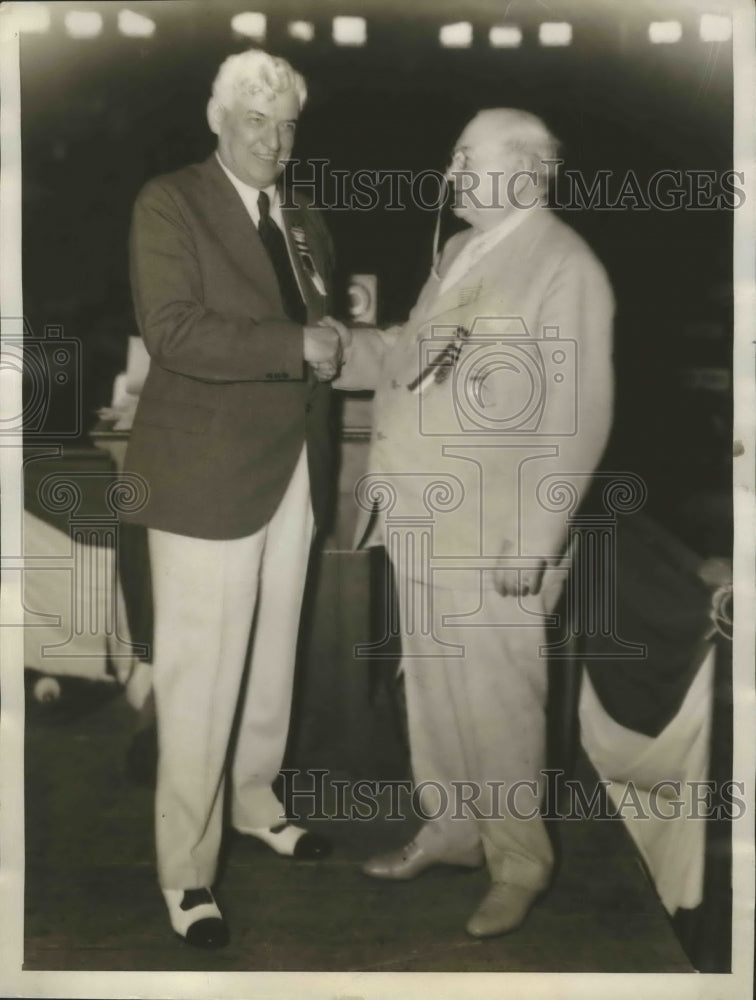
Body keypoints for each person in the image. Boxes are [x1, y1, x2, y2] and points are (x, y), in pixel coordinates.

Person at [328, 108, 614, 938]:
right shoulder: (459, 252)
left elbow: (578, 414)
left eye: (465, 160)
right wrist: (336, 349)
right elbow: (413, 352)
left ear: (524, 174)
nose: (449, 175)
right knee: (435, 693)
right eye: (452, 159)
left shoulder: (565, 265)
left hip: (496, 534)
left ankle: (519, 861)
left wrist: (535, 539)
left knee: (500, 703)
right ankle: (453, 830)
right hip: (419, 514)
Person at [121, 49, 342, 948]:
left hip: (294, 470)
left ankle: (255, 801)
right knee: (201, 680)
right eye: (258, 120)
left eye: (288, 124)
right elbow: (173, 332)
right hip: (206, 476)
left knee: (270, 665)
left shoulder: (305, 222)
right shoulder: (168, 202)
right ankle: (186, 871)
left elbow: (328, 338)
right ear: (217, 120)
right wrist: (299, 344)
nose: (277, 140)